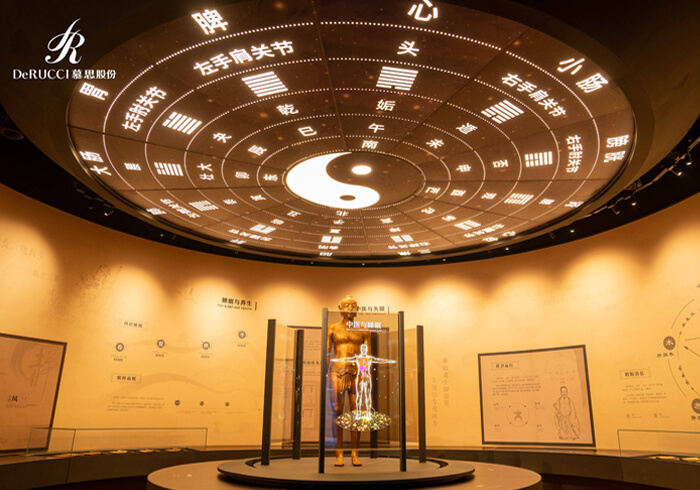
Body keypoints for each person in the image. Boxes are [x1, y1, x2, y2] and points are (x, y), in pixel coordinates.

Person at [327, 296, 368, 467]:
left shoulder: (363, 330)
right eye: (347, 305)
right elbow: (327, 353)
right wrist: (326, 373)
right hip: (337, 371)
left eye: (353, 305)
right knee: (337, 411)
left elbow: (366, 355)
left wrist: (364, 373)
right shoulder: (333, 328)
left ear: (357, 309)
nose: (350, 308)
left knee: (356, 412)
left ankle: (355, 453)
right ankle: (339, 453)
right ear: (340, 308)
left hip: (356, 372)